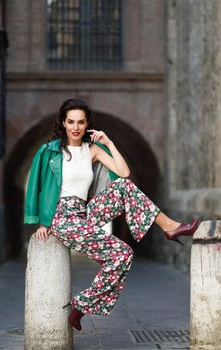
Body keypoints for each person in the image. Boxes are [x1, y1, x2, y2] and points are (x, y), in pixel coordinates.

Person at [24, 98, 199, 331]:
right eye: (71, 122)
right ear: (63, 123)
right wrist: (41, 221)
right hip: (61, 217)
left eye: (81, 122)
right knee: (122, 254)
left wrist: (109, 141)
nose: (76, 127)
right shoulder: (49, 152)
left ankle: (170, 227)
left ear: (87, 124)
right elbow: (37, 186)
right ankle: (81, 307)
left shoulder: (93, 149)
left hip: (84, 212)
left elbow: (123, 172)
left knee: (124, 186)